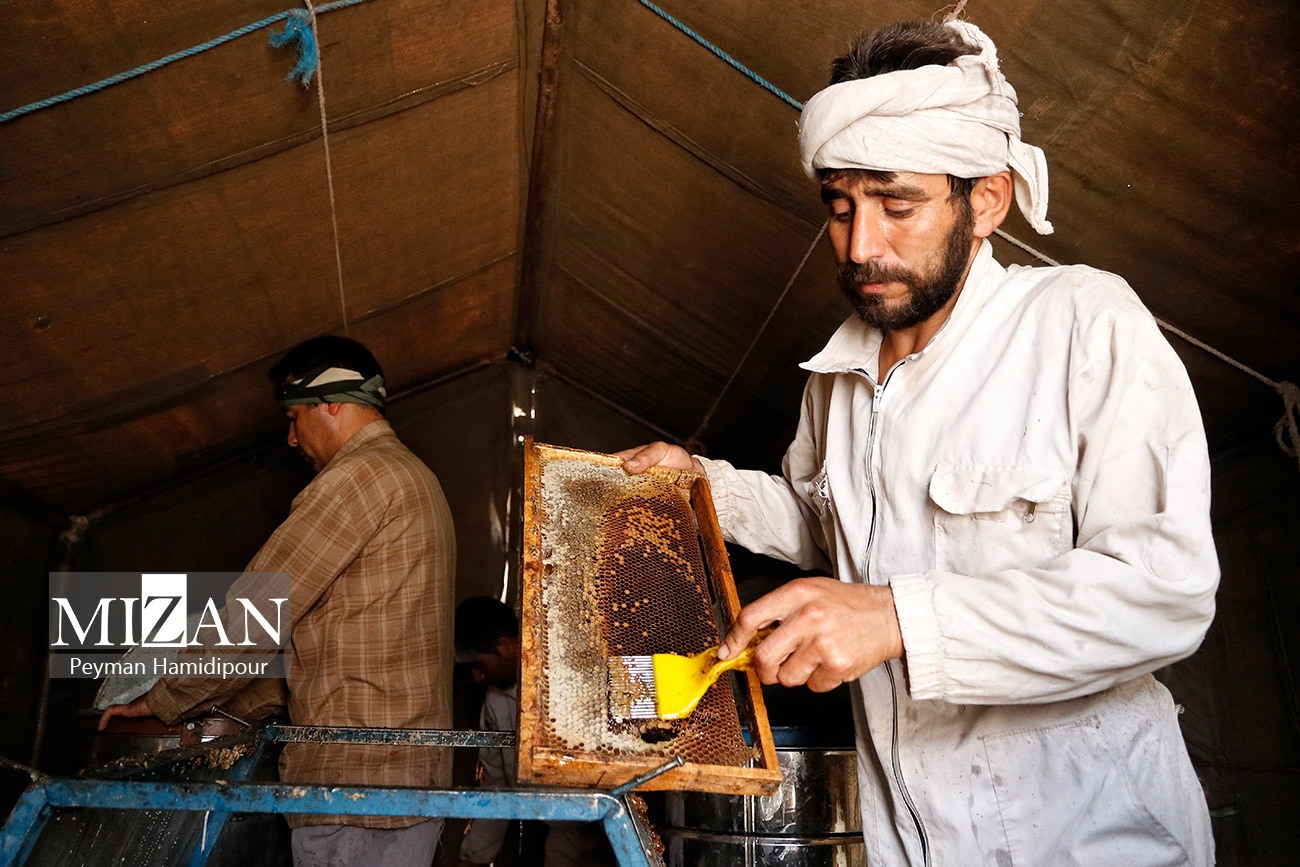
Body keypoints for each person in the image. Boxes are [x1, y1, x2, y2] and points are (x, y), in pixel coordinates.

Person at [620, 19, 1219, 866]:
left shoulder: (1084, 324)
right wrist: (702, 486)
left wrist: (898, 618)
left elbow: (1163, 592)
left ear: (987, 201)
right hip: (913, 844)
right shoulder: (835, 379)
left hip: (1094, 842)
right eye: (840, 208)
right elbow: (823, 523)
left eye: (896, 205)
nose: (861, 246)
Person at [99, 335, 456, 867]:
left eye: (294, 417)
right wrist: (227, 708)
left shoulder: (357, 478)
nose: (291, 438)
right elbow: (329, 653)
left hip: (351, 787)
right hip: (406, 782)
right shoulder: (417, 479)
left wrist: (164, 700)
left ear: (330, 402)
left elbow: (255, 615)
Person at [454, 596, 615, 867]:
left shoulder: (567, 677)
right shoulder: (495, 704)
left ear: (505, 646)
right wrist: (474, 857)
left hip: (604, 818)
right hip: (564, 830)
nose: (477, 677)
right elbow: (497, 784)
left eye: (479, 665)